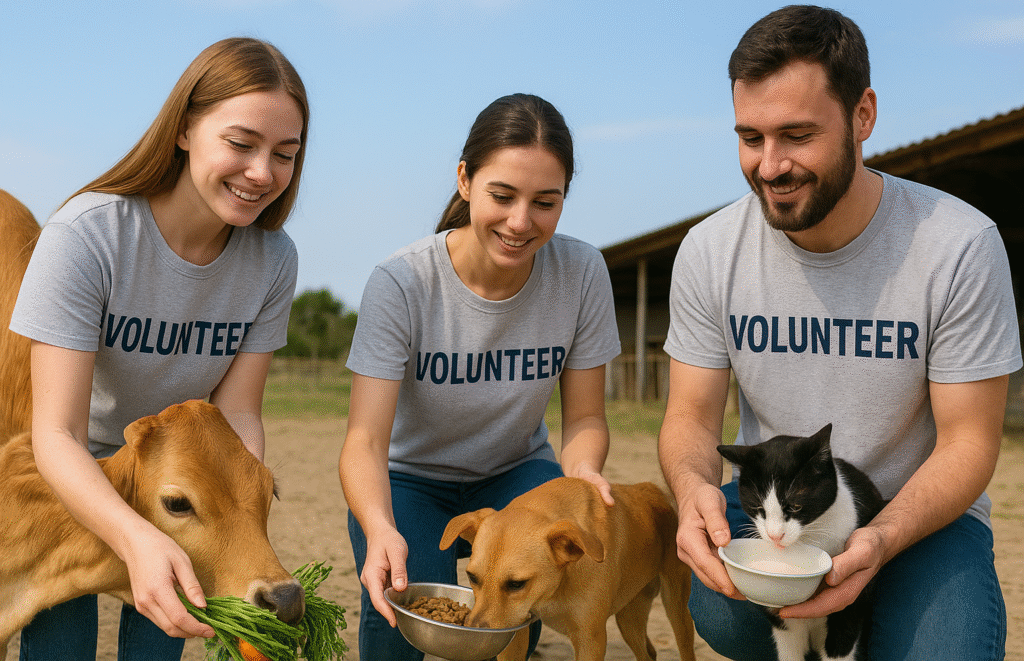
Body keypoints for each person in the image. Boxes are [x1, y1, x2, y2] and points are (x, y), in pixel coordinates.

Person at [658, 4, 1019, 660]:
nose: (771, 165)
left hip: (920, 518)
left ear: (863, 116)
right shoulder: (709, 251)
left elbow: (969, 441)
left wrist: (880, 538)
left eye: (797, 135)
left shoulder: (958, 245)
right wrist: (692, 493)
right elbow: (689, 417)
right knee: (721, 606)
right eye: (751, 137)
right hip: (784, 512)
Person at [10, 37, 308, 661]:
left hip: (181, 491)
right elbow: (58, 433)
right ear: (183, 130)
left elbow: (239, 416)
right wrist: (134, 538)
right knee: (62, 648)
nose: (262, 173)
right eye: (241, 143)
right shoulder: (87, 236)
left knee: (161, 645)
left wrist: (239, 511)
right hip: (79, 473)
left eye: (285, 154)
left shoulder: (273, 260)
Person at [339, 93, 621, 660]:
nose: (520, 222)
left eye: (545, 202)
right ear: (465, 180)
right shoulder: (401, 283)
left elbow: (586, 418)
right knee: (397, 606)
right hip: (410, 477)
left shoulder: (582, 272)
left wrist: (583, 472)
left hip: (518, 472)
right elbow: (364, 441)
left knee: (516, 614)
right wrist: (380, 528)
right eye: (502, 195)